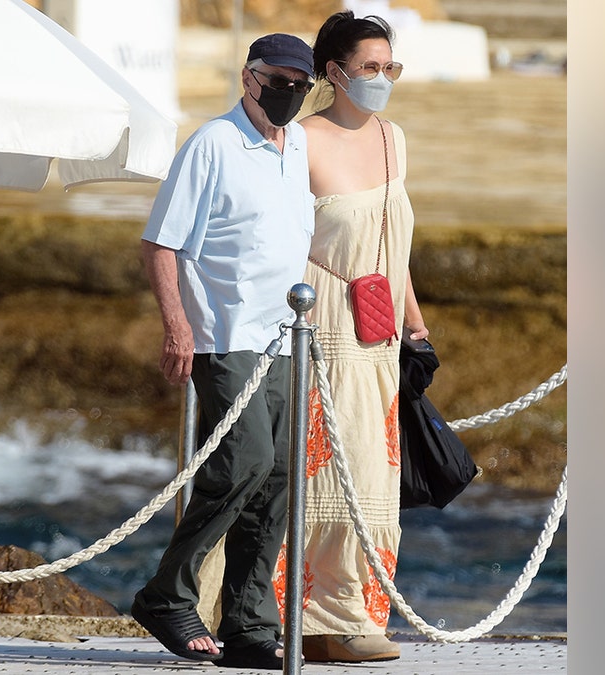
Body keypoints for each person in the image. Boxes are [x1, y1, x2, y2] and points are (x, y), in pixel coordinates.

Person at [132, 33, 317, 671]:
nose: (291, 92)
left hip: (284, 342)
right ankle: (168, 595)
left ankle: (247, 624)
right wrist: (177, 328)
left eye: (303, 83)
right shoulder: (212, 144)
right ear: (249, 77)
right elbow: (162, 244)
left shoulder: (297, 150)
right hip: (226, 337)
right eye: (280, 79)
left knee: (279, 476)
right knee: (243, 464)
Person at [271, 11, 427, 663]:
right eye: (370, 67)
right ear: (333, 73)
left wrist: (416, 322)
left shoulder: (395, 138)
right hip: (319, 322)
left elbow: (396, 243)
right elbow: (273, 242)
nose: (383, 78)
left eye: (391, 67)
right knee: (328, 474)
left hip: (380, 326)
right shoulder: (296, 141)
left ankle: (357, 610)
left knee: (373, 477)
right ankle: (313, 616)